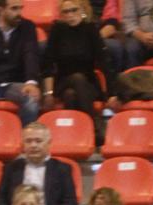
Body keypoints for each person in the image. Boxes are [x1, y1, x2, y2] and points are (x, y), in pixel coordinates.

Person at [0, 122, 79, 205]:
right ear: (23, 144)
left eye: (38, 141)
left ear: (49, 143)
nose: (33, 145)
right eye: (28, 141)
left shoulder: (62, 169)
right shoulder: (11, 168)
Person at [42, 0, 110, 132]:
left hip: (89, 82)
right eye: (66, 11)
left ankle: (75, 134)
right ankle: (94, 128)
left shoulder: (90, 29)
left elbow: (104, 62)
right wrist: (48, 93)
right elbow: (48, 63)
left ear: (83, 10)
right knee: (77, 79)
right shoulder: (57, 30)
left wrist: (112, 93)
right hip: (63, 81)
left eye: (74, 10)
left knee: (71, 95)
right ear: (61, 14)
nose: (70, 15)